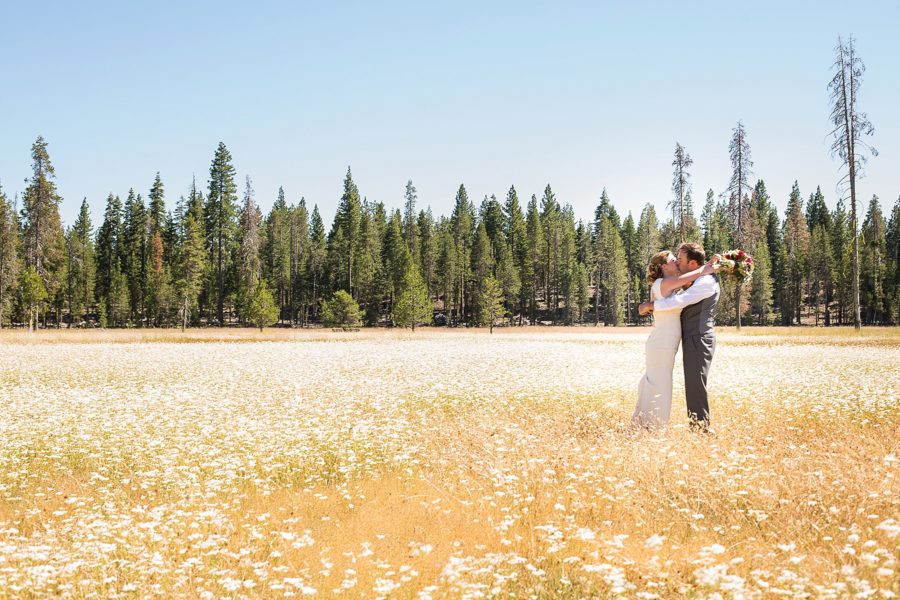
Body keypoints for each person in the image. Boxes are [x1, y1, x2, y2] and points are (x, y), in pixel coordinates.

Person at [632, 247, 719, 430]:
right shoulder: (666, 283)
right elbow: (683, 291)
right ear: (664, 266)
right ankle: (652, 427)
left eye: (679, 259)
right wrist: (706, 267)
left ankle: (646, 424)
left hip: (668, 343)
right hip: (662, 343)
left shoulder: (676, 284)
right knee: (660, 385)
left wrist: (651, 305)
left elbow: (682, 295)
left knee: (657, 383)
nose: (677, 262)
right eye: (674, 259)